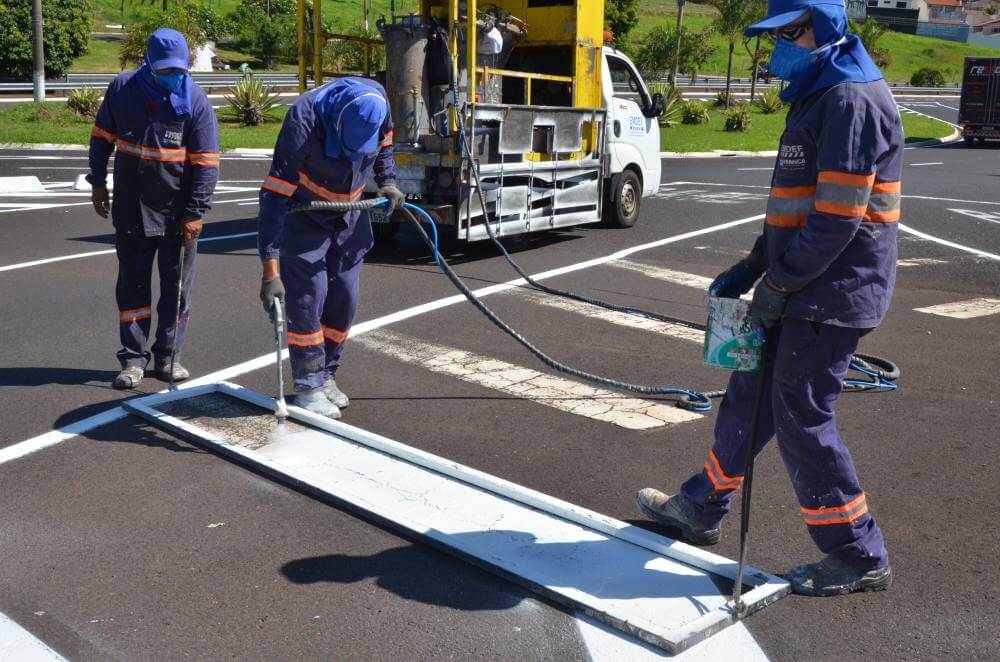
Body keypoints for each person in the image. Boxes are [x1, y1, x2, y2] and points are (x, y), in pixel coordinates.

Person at [636, 0, 902, 597]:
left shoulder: (849, 100)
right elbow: (796, 205)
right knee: (749, 397)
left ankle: (857, 552)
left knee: (802, 415)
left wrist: (778, 285)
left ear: (822, 28)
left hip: (830, 292)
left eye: (790, 33)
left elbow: (837, 219)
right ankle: (699, 506)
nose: (778, 46)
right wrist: (756, 263)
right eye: (775, 35)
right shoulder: (817, 92)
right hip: (799, 283)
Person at [256, 77, 403, 419]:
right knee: (310, 296)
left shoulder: (379, 102)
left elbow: (385, 145)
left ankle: (327, 375)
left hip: (349, 215)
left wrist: (388, 182)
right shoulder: (303, 121)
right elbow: (274, 197)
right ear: (337, 123)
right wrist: (270, 271)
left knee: (345, 296)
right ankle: (308, 385)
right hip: (305, 217)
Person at [88, 28, 220, 389]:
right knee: (132, 288)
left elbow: (207, 163)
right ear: (148, 63)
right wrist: (98, 182)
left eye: (178, 70)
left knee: (176, 291)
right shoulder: (123, 89)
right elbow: (101, 138)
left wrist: (196, 212)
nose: (172, 76)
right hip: (132, 209)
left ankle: (168, 356)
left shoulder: (195, 101)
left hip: (178, 214)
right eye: (165, 70)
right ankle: (133, 360)